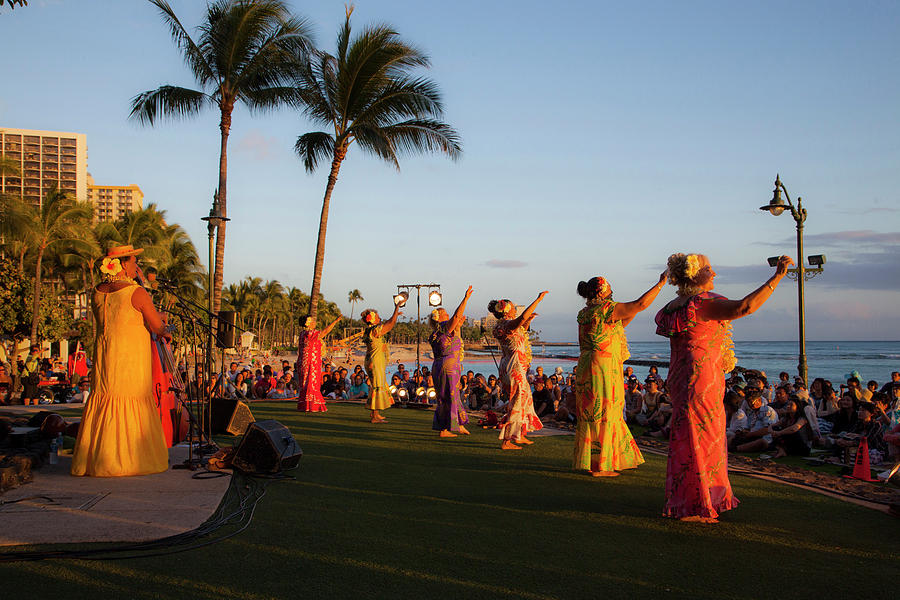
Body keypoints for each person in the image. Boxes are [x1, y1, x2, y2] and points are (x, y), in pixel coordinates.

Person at [655, 252, 792, 522]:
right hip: (701, 378)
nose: (714, 273)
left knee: (689, 434)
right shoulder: (701, 303)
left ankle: (688, 498)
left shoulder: (673, 305)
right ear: (696, 273)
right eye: (709, 268)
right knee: (704, 437)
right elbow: (744, 308)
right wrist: (776, 278)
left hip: (682, 378)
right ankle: (699, 502)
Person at [71, 245, 169, 477]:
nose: (138, 266)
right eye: (134, 261)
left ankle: (100, 460)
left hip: (106, 357)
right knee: (132, 400)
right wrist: (168, 326)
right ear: (124, 265)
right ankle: (128, 460)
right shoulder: (136, 292)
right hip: (131, 358)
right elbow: (158, 327)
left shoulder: (98, 290)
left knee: (107, 399)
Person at [574, 272, 666, 476]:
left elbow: (619, 324)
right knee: (606, 412)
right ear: (604, 291)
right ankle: (602, 465)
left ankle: (594, 461)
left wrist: (630, 309)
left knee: (593, 412)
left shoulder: (586, 312)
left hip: (587, 366)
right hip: (603, 367)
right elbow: (641, 304)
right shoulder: (606, 309)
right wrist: (660, 284)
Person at [489, 292, 548, 450]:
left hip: (512, 365)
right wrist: (538, 300)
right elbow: (520, 320)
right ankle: (507, 440)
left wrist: (528, 320)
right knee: (517, 401)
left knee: (525, 399)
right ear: (507, 310)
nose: (515, 309)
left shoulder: (504, 326)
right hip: (514, 367)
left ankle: (520, 434)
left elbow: (521, 328)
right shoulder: (506, 325)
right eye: (513, 307)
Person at [429, 286, 473, 437]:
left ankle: (458, 424)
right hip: (448, 366)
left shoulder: (434, 333)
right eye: (445, 314)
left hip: (438, 366)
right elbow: (455, 317)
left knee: (446, 396)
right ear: (440, 317)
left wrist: (458, 327)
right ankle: (445, 429)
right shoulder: (444, 327)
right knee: (451, 396)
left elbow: (454, 341)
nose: (448, 315)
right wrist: (465, 299)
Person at [361, 303, 402, 423]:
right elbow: (390, 325)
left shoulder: (370, 330)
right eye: (378, 317)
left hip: (373, 360)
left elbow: (388, 323)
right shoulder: (375, 330)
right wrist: (396, 308)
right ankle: (374, 416)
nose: (380, 319)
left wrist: (395, 315)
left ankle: (375, 413)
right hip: (375, 361)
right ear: (373, 320)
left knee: (376, 386)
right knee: (376, 387)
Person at [296, 314, 342, 413]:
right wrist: (335, 321)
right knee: (311, 383)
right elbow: (325, 331)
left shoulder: (302, 334)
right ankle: (312, 406)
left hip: (304, 361)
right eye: (312, 321)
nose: (314, 323)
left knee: (306, 383)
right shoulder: (310, 334)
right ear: (307, 323)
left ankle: (305, 405)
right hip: (311, 362)